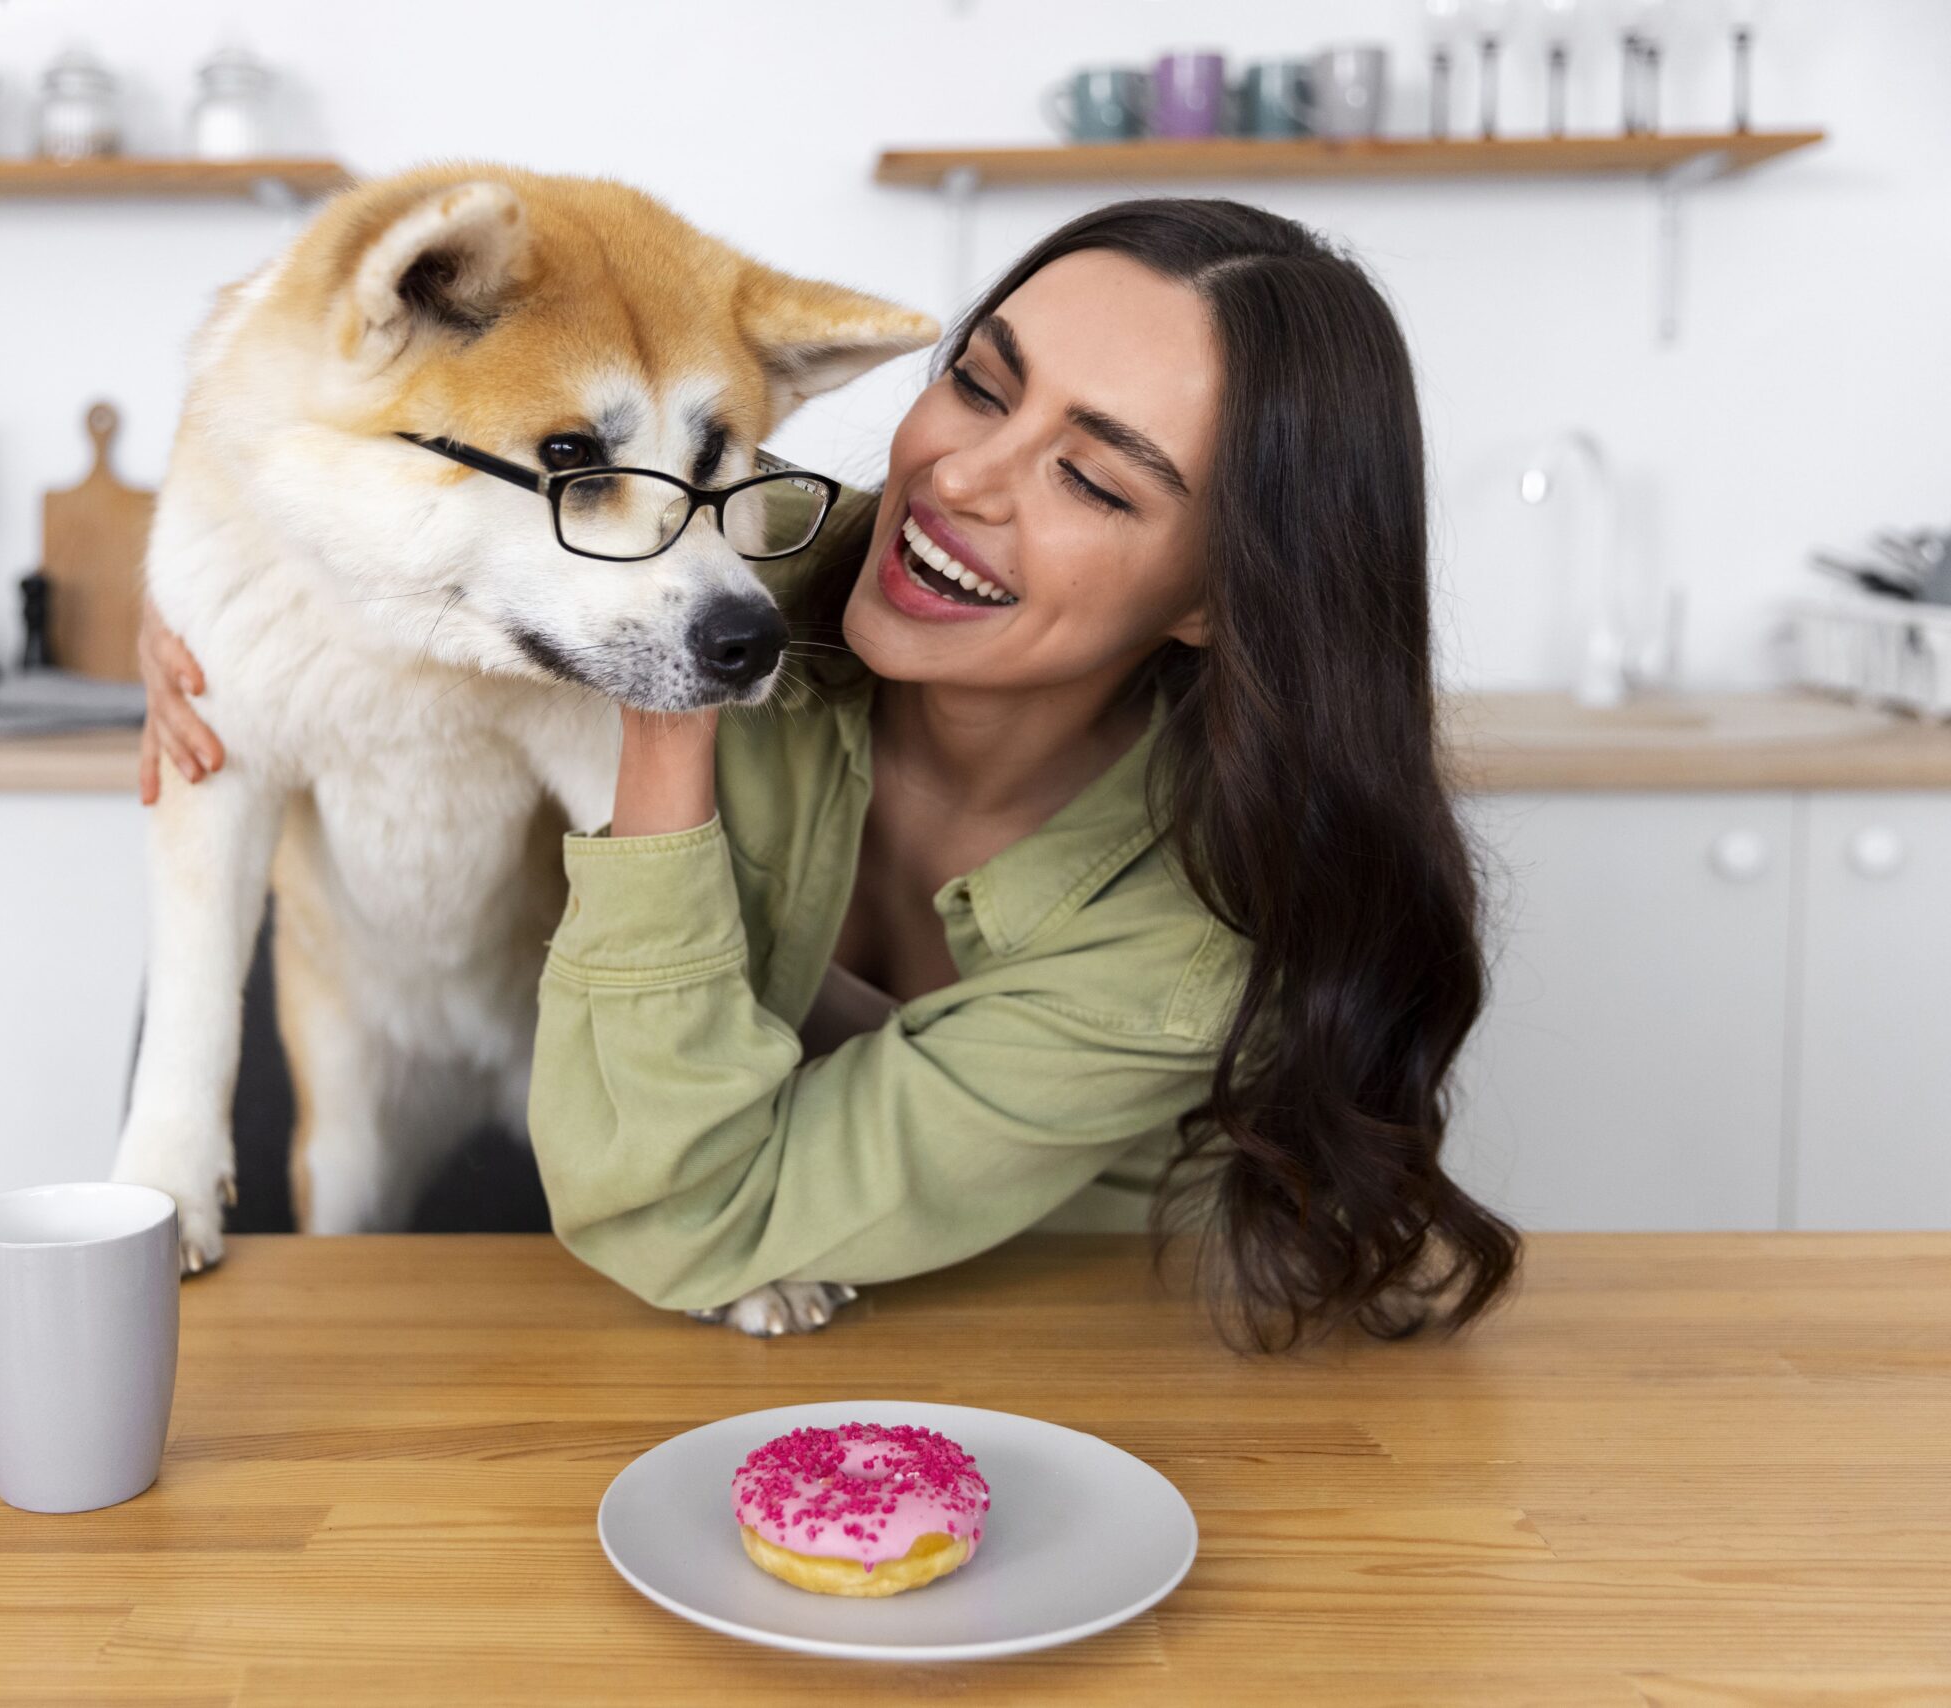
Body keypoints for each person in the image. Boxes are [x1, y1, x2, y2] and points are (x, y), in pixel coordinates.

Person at [139, 198, 1520, 1351]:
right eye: (979, 383)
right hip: (694, 1361)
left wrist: (660, 686)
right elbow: (403, 496)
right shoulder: (752, 573)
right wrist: (218, 587)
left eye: (1093, 481)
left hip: (1086, 1373)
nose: (964, 476)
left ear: (1223, 598)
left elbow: (679, 1218)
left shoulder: (1178, 951)